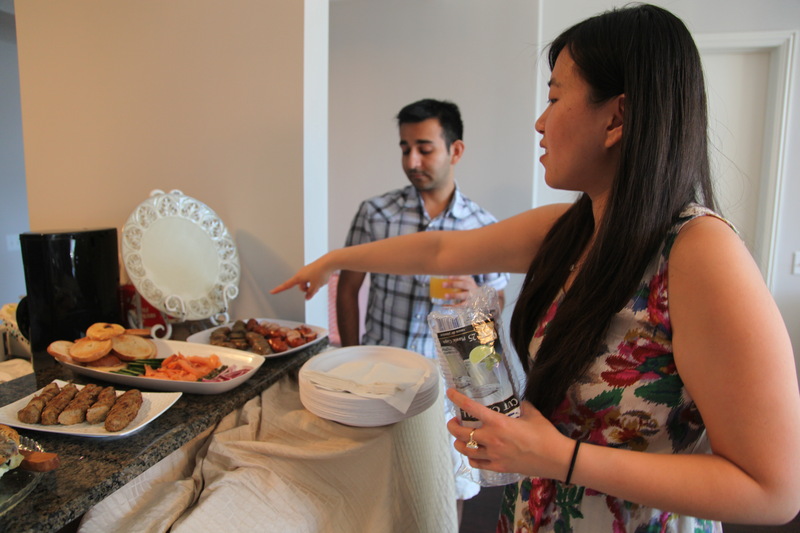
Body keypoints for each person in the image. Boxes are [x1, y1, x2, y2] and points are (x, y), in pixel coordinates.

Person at [272, 4, 800, 531]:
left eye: (554, 98)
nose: (540, 123)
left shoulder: (699, 251)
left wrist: (557, 457)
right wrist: (335, 260)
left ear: (616, 118)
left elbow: (773, 491)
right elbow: (440, 252)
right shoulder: (572, 229)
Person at [336, 98, 510, 512]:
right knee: (376, 486)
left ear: (456, 150)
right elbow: (347, 288)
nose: (412, 161)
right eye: (405, 148)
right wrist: (351, 359)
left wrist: (478, 296)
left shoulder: (483, 226)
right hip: (381, 374)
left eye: (425, 148)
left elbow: (498, 302)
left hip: (452, 384)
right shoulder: (375, 214)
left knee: (451, 487)